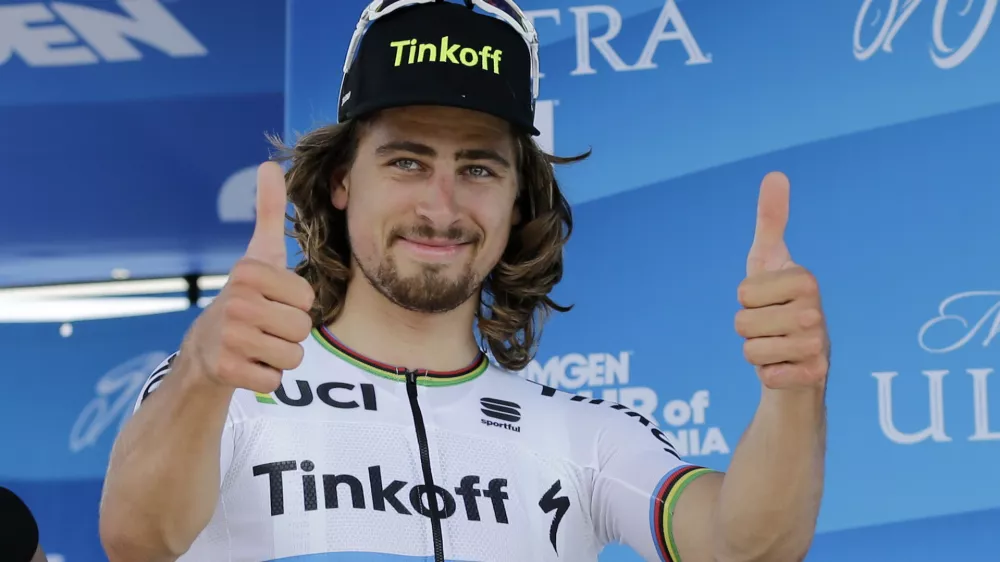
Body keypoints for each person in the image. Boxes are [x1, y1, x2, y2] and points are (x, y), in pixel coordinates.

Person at [99, 1, 830, 561]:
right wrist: (202, 368)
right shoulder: (225, 389)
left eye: (478, 167)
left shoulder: (586, 437)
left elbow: (744, 547)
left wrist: (795, 392)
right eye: (407, 161)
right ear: (343, 179)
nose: (440, 206)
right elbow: (137, 538)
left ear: (519, 198)